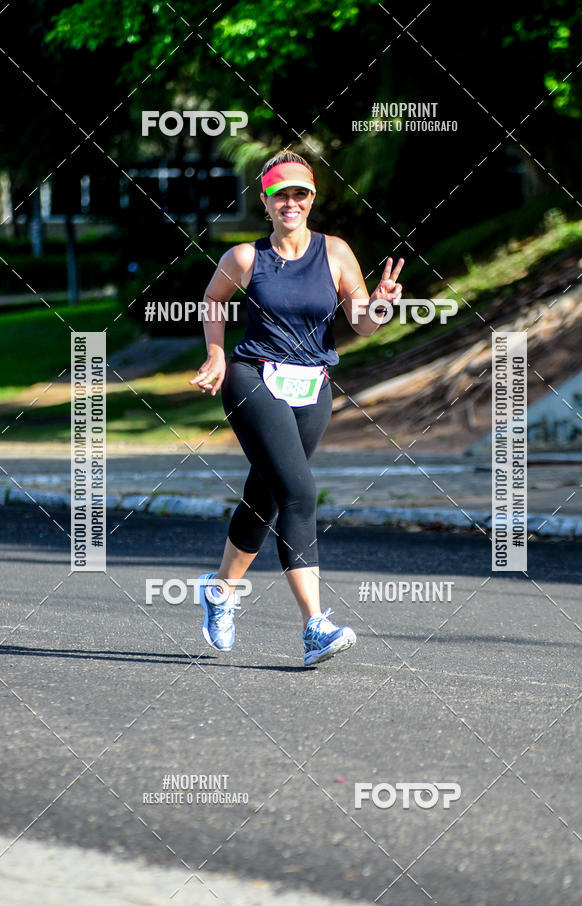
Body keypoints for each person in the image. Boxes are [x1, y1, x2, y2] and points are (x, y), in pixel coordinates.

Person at [189, 150, 404, 666]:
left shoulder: (335, 253)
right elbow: (212, 301)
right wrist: (217, 353)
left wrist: (381, 304)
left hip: (312, 386)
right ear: (265, 201)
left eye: (300, 194)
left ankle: (219, 591)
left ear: (312, 200)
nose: (291, 202)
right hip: (252, 376)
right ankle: (315, 627)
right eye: (280, 193)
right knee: (301, 491)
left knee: (265, 496)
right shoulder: (245, 258)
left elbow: (362, 324)